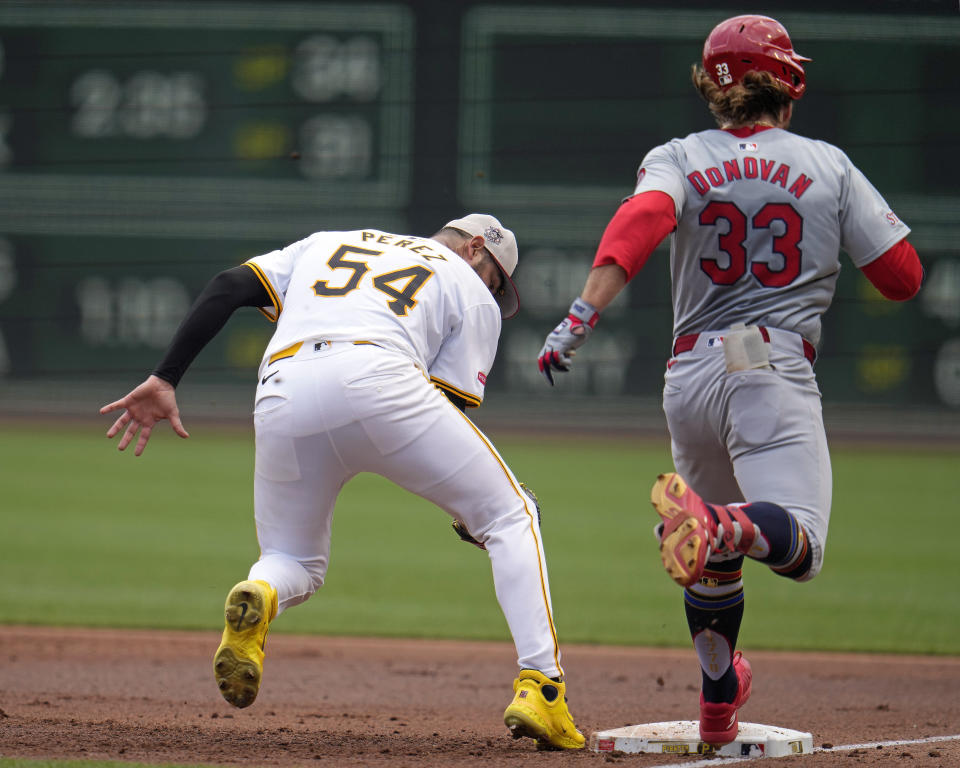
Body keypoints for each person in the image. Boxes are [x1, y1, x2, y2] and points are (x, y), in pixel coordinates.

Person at [537, 14, 922, 746]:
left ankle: (720, 697)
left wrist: (582, 314)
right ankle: (721, 520)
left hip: (690, 372)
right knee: (798, 546)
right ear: (786, 80)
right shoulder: (827, 163)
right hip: (767, 366)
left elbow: (644, 219)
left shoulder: (678, 156)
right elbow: (903, 279)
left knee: (712, 562)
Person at [100, 214, 584, 750]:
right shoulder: (468, 285)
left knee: (292, 560)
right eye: (497, 279)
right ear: (475, 248)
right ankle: (543, 687)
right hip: (381, 378)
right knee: (512, 514)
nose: (493, 292)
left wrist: (166, 375)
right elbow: (446, 408)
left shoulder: (329, 242)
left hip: (282, 388)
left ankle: (260, 591)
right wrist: (470, 513)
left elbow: (228, 285)